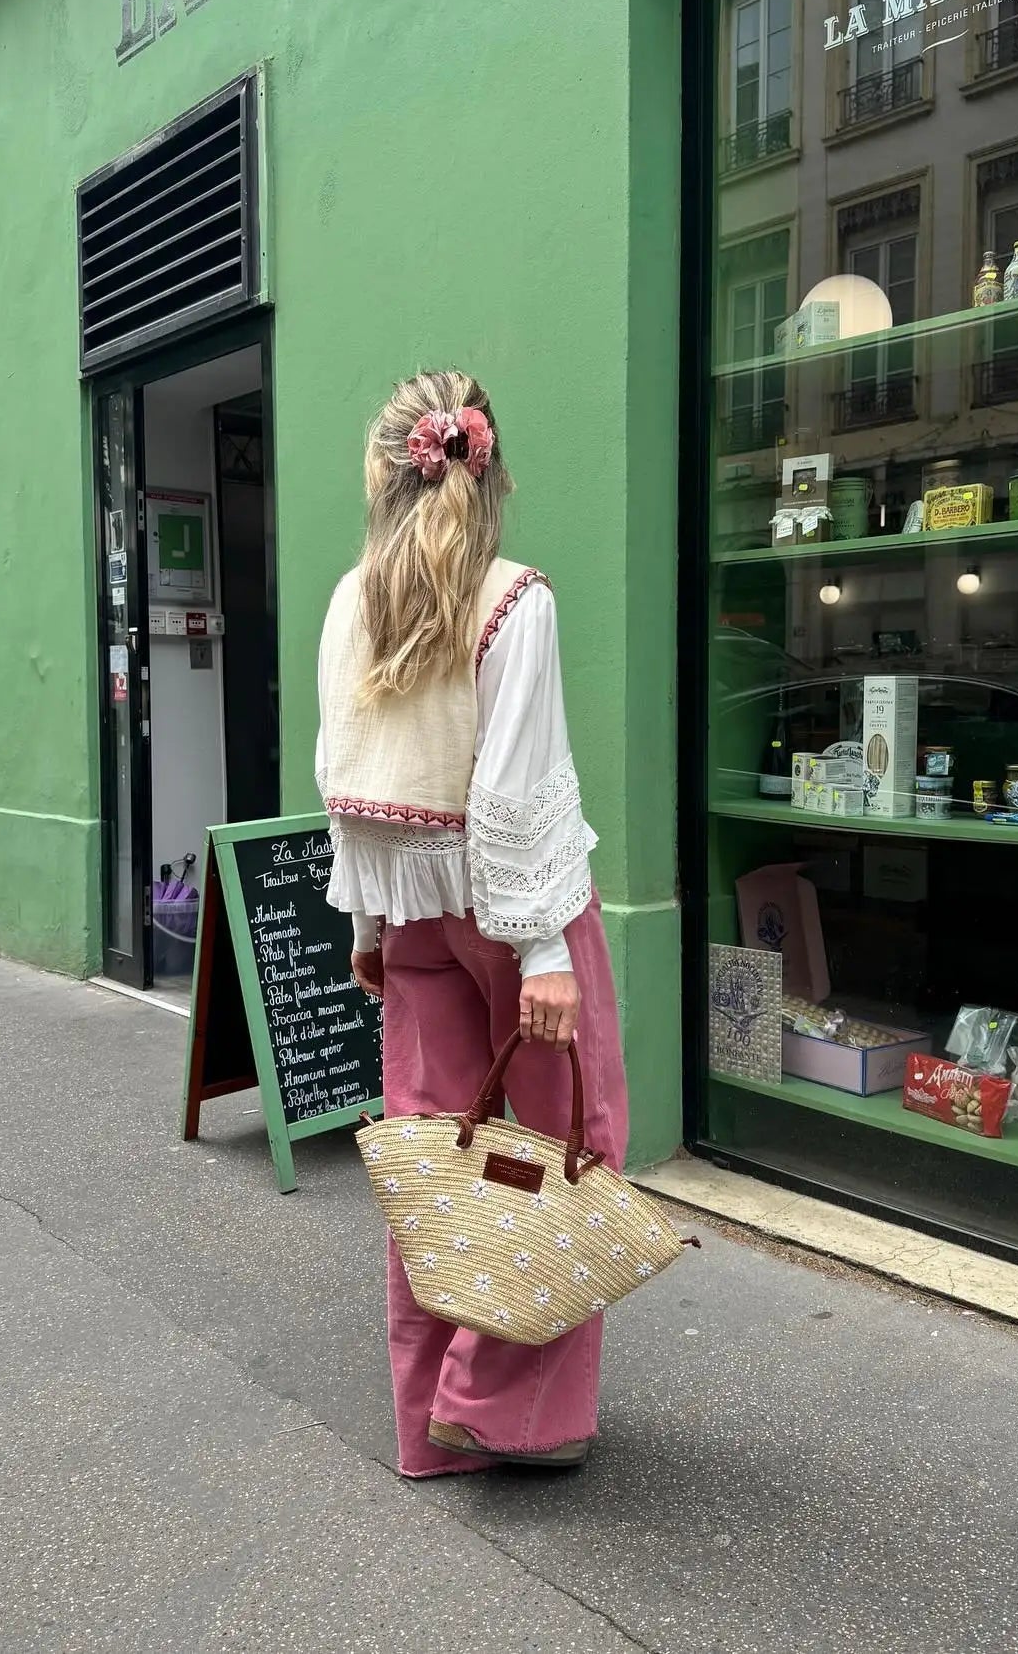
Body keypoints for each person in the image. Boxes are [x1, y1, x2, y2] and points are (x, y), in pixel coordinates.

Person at [314, 370, 629, 1476]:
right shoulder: (514, 598)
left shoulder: (350, 601)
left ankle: (431, 1425)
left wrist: (368, 926)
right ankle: (503, 1408)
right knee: (561, 1149)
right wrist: (543, 949)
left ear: (385, 472)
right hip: (512, 916)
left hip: (413, 920)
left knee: (437, 1165)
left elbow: (343, 774)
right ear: (487, 470)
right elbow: (515, 784)